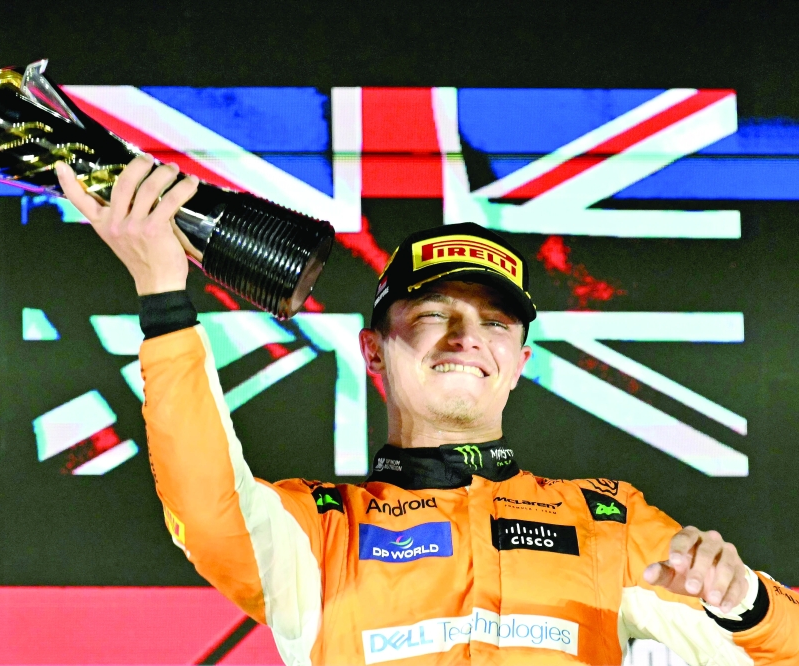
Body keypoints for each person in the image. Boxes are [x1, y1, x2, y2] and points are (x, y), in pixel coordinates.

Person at [56, 156, 799, 666]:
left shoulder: (607, 522)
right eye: (433, 313)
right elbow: (207, 510)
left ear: (518, 363)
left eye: (496, 324)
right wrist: (162, 298)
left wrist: (743, 604)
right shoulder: (319, 531)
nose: (466, 336)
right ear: (373, 351)